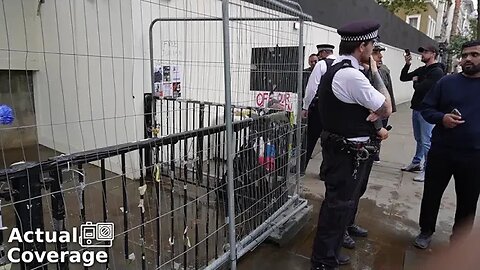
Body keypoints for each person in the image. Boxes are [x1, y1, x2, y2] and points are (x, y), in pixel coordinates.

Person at [311, 20, 392, 270]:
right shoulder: (351, 75)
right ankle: (324, 261)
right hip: (346, 153)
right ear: (362, 46)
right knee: (337, 207)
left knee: (340, 206)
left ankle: (330, 254)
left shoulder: (338, 66)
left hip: (344, 150)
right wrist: (375, 72)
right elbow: (386, 106)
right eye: (371, 46)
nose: (372, 51)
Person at [413, 40, 480, 249]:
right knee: (432, 193)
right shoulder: (446, 82)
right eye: (465, 54)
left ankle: (458, 241)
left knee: (468, 202)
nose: (468, 58)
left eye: (475, 55)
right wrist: (442, 118)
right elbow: (426, 108)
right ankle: (426, 230)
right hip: (442, 151)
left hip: (474, 156)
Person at [400, 44, 445, 182]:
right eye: (422, 52)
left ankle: (428, 170)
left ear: (433, 54)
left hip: (427, 110)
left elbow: (422, 88)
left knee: (426, 141)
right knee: (419, 138)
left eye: (425, 52)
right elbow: (404, 77)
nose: (422, 54)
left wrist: (416, 82)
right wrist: (407, 64)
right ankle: (416, 162)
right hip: (417, 108)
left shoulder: (437, 71)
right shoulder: (422, 69)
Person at [301, 44, 336, 174]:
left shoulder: (322, 65)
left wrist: (305, 106)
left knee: (310, 138)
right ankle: (325, 171)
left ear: (322, 53)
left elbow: (311, 88)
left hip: (320, 108)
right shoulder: (341, 64)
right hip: (336, 111)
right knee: (329, 141)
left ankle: (301, 167)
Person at [369, 44, 397, 163]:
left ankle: (375, 153)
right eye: (376, 53)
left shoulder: (384, 71)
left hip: (382, 110)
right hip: (370, 114)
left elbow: (388, 90)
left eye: (380, 53)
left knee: (379, 135)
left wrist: (391, 109)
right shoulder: (363, 72)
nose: (380, 56)